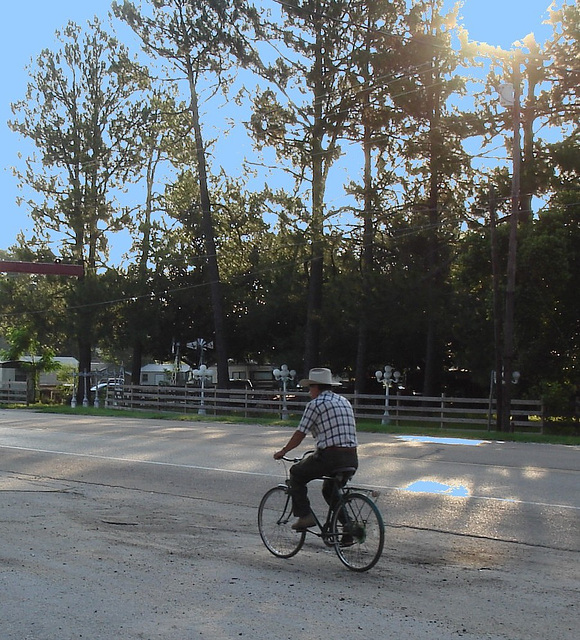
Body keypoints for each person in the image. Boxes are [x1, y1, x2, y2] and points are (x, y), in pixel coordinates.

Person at [273, 367, 358, 531]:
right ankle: (348, 527)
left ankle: (305, 516)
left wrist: (283, 451)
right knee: (330, 490)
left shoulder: (316, 404)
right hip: (351, 457)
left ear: (316, 387)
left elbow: (300, 434)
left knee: (296, 474)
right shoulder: (343, 401)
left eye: (310, 387)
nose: (309, 391)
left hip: (330, 457)